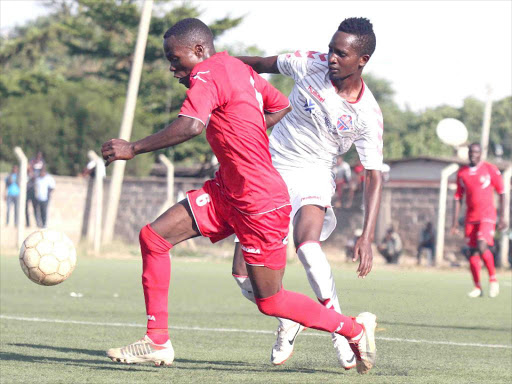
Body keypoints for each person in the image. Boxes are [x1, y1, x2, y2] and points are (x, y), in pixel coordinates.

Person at [101, 18, 377, 374]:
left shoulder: (206, 74)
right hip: (227, 191)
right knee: (153, 238)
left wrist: (133, 148)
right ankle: (157, 341)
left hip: (260, 202)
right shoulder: (234, 66)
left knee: (271, 300)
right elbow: (279, 105)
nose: (173, 68)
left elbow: (191, 125)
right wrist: (244, 137)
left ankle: (354, 329)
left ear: (199, 51)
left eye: (176, 59)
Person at [233, 17, 382, 370]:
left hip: (315, 174)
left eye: (340, 53)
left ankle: (343, 334)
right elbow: (262, 63)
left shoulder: (366, 115)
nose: (331, 57)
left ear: (362, 60)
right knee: (242, 274)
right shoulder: (308, 63)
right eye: (331, 48)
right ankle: (289, 318)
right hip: (268, 170)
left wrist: (367, 235)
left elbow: (374, 176)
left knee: (307, 245)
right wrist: (219, 65)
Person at [450, 142, 507, 298]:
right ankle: (478, 287)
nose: (473, 154)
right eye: (470, 152)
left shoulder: (490, 169)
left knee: (482, 245)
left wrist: (503, 217)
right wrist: (454, 222)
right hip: (470, 218)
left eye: (476, 152)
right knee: (473, 251)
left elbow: (502, 193)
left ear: (481, 153)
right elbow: (457, 198)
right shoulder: (462, 173)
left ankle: (493, 280)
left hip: (488, 216)